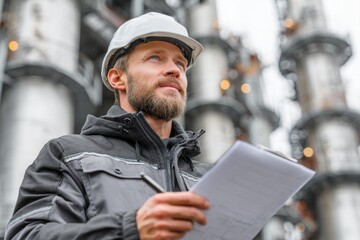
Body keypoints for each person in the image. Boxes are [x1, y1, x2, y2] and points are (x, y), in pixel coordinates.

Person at [5, 12, 212, 240]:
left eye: (181, 64)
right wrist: (129, 230)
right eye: (155, 57)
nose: (174, 70)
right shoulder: (70, 156)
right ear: (117, 78)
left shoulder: (207, 178)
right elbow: (28, 235)